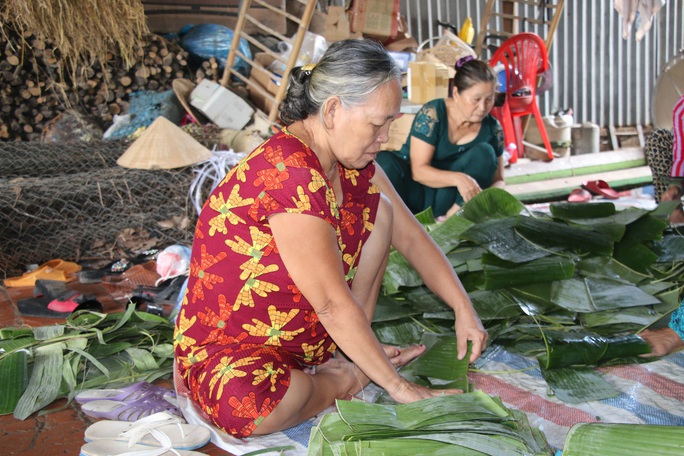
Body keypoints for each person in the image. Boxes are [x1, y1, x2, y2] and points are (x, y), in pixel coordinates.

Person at [173, 38, 488, 439]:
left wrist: (464, 308)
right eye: (377, 124)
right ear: (333, 110)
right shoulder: (290, 172)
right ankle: (347, 378)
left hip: (304, 344)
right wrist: (400, 388)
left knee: (383, 213)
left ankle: (342, 361)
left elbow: (412, 238)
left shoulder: (353, 164)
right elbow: (330, 304)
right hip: (237, 350)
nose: (385, 138)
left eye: (391, 122)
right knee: (249, 408)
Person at [376, 56, 505, 220]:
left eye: (489, 99)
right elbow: (419, 171)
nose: (482, 107)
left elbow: (499, 179)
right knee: (384, 161)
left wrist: (488, 198)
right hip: (415, 192)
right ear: (456, 93)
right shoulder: (433, 113)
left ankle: (453, 220)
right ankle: (400, 222)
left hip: (451, 202)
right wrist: (460, 179)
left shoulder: (493, 129)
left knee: (485, 153)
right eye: (476, 99)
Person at [659, 93, 684, 224]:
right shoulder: (682, 107)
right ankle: (673, 214)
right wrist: (675, 187)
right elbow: (680, 152)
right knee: (657, 140)